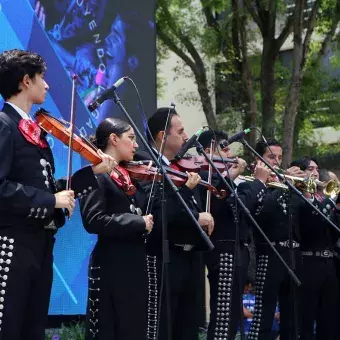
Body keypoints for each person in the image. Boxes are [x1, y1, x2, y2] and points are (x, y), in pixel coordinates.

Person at [0, 49, 115, 340]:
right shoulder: (4, 126)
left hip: (40, 243)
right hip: (12, 244)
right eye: (43, 78)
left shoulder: (35, 131)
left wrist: (91, 173)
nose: (47, 85)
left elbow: (48, 185)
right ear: (26, 81)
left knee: (33, 329)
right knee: (8, 327)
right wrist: (51, 200)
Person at [136, 107, 215, 340]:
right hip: (163, 259)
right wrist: (195, 215)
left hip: (189, 258)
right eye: (180, 131)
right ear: (162, 136)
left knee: (188, 328)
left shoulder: (177, 166)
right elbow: (156, 213)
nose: (185, 136)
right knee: (163, 328)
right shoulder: (146, 164)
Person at [79, 118, 154, 339]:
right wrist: (137, 222)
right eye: (130, 138)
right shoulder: (96, 174)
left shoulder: (130, 176)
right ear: (113, 139)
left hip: (134, 265)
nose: (136, 145)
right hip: (110, 267)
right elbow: (93, 219)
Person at [196, 130, 271, 340]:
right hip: (223, 250)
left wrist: (258, 186)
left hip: (240, 249)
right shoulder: (206, 177)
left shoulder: (234, 180)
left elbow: (252, 212)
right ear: (209, 151)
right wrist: (258, 183)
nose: (230, 153)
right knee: (223, 319)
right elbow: (234, 207)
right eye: (225, 148)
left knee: (232, 317)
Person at [245, 138, 306, 340]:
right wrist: (280, 185)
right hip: (269, 254)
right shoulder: (253, 184)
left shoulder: (287, 185)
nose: (277, 162)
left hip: (293, 255)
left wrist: (302, 189)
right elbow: (261, 214)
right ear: (258, 159)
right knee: (263, 317)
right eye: (272, 157)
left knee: (293, 319)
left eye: (280, 158)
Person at [291, 157, 339, 340]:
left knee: (328, 318)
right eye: (311, 168)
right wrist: (310, 192)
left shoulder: (325, 199)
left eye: (317, 168)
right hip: (309, 261)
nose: (316, 172)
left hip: (328, 264)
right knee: (307, 317)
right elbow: (310, 222)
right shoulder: (300, 195)